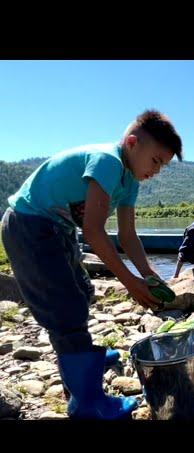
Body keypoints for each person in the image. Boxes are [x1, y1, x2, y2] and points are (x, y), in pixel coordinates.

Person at [1, 109, 183, 419]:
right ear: (132, 143)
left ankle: (82, 357)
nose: (157, 171)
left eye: (163, 166)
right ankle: (87, 403)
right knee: (65, 308)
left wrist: (149, 276)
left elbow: (127, 236)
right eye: (155, 161)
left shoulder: (131, 180)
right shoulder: (108, 161)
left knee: (82, 292)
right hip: (29, 226)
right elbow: (94, 233)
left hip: (59, 228)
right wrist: (131, 284)